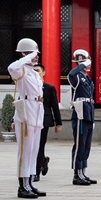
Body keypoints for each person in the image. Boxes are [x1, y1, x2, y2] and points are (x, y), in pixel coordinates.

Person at [9, 38, 45, 199]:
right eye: (32, 53)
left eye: (36, 54)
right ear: (24, 54)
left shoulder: (34, 72)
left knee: (33, 150)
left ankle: (30, 182)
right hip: (25, 113)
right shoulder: (20, 69)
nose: (36, 57)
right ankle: (22, 186)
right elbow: (11, 66)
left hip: (37, 111)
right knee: (24, 151)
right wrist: (27, 57)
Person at [68, 49, 96, 186]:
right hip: (80, 113)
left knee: (86, 144)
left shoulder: (87, 77)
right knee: (79, 144)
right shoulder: (77, 76)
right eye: (86, 62)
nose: (89, 65)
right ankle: (76, 173)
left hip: (88, 112)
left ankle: (83, 171)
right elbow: (70, 74)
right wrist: (81, 64)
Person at [34, 64, 62, 182]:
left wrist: (58, 123)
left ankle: (36, 173)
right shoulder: (28, 86)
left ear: (43, 72)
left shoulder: (49, 88)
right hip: (31, 119)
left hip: (44, 120)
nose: (35, 72)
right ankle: (43, 161)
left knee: (39, 146)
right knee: (32, 147)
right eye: (33, 70)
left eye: (38, 70)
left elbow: (54, 106)